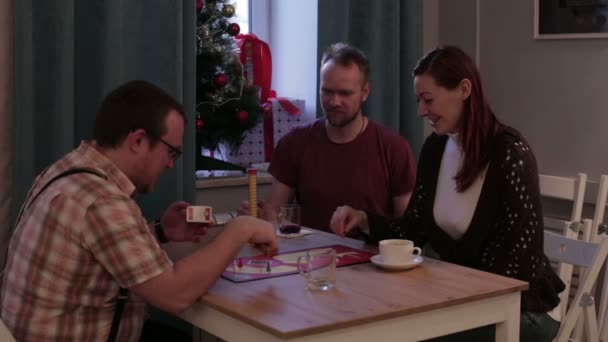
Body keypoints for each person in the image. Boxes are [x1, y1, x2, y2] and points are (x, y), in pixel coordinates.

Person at [0, 80, 278, 341]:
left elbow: (98, 246)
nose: (171, 165)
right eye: (171, 152)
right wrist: (239, 230)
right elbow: (175, 296)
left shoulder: (66, 170)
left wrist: (160, 231)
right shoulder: (102, 200)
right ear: (137, 141)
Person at [329, 46, 564, 342]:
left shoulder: (510, 153)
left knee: (406, 334)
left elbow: (519, 265)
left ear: (464, 89)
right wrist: (364, 219)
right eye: (418, 100)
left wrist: (445, 290)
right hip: (465, 303)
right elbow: (413, 228)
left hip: (521, 311)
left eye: (428, 100)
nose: (421, 111)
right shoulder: (436, 148)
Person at [239, 42, 417, 235]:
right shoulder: (295, 142)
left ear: (365, 92)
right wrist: (259, 218)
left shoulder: (394, 148)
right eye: (327, 91)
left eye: (345, 93)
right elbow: (275, 213)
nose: (334, 102)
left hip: (372, 261)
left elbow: (407, 231)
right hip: (309, 258)